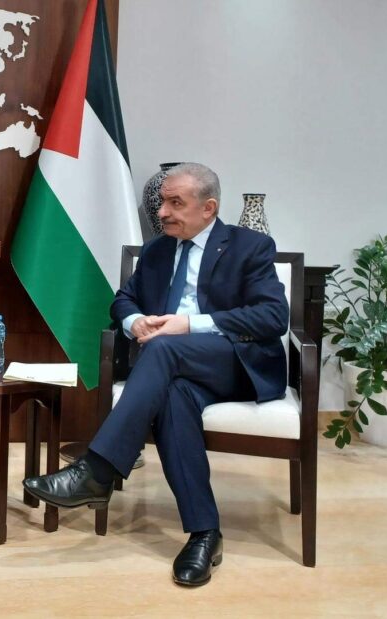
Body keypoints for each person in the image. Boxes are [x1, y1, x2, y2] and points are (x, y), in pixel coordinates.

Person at [22, 162, 288, 587]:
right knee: (173, 398)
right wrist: (135, 322)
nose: (162, 212)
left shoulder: (249, 246)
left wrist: (190, 324)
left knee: (164, 349)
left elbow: (273, 317)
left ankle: (98, 470)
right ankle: (204, 534)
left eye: (175, 203)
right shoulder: (157, 250)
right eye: (163, 201)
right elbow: (122, 300)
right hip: (175, 368)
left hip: (234, 363)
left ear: (208, 208)